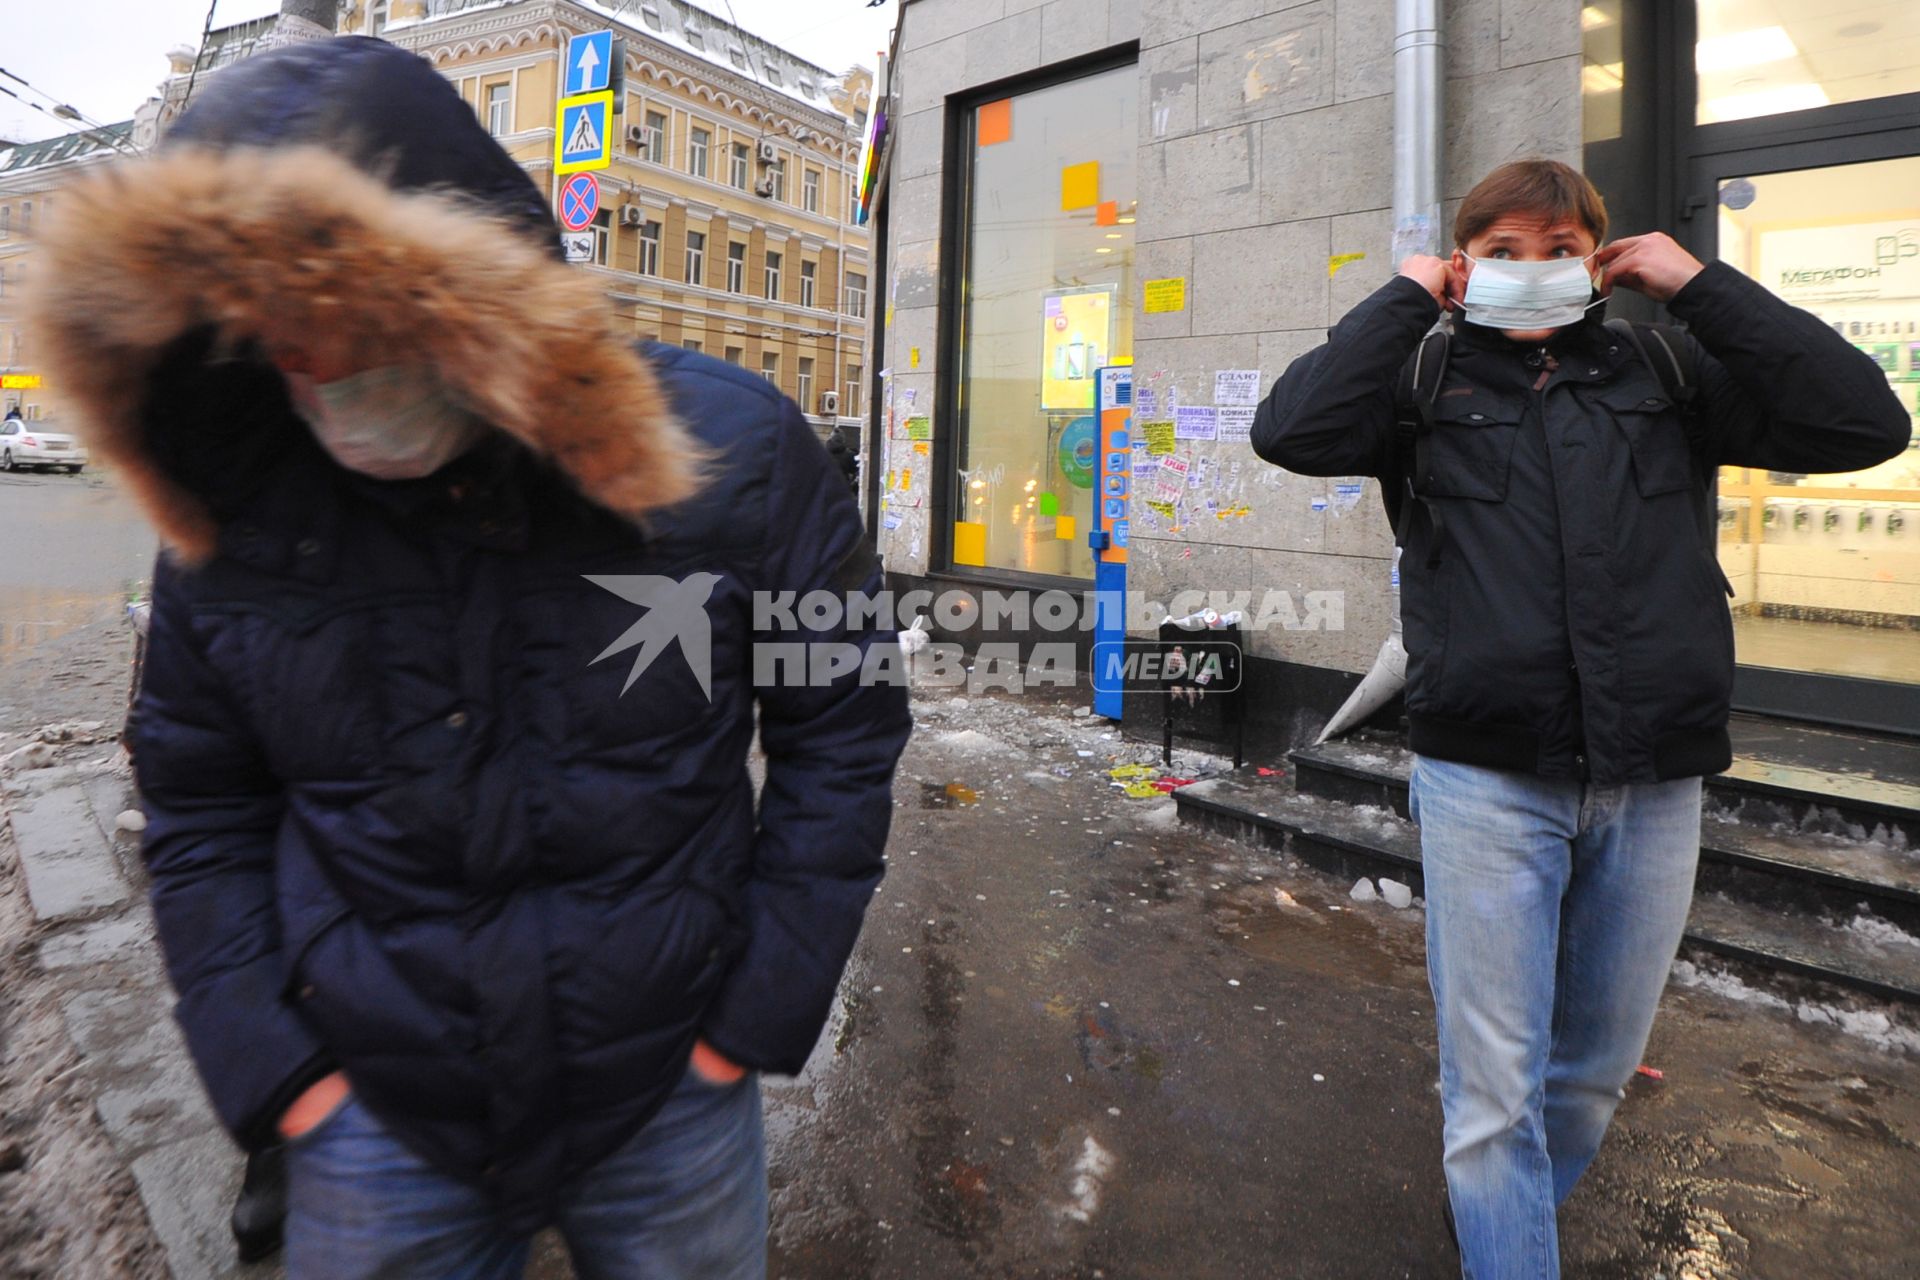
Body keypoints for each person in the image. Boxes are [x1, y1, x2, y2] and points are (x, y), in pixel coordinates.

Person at [30, 37, 911, 1279]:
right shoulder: (237, 501)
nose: (315, 368)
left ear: (463, 289)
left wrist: (756, 1009)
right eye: (273, 333)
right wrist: (278, 1072)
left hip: (671, 1087)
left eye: (345, 321)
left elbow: (845, 729)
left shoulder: (736, 449)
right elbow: (198, 803)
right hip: (375, 1117)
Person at [1252, 159, 1907, 1279]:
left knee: (1592, 1072)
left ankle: (1504, 1225)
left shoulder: (1664, 368)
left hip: (1652, 779)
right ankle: (1506, 1239)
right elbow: (1289, 428)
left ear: (1599, 261)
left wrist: (1699, 285)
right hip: (1486, 778)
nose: (1530, 270)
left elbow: (1866, 419)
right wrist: (1410, 295)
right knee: (1494, 1088)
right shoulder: (1420, 379)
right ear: (1467, 265)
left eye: (1557, 247)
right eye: (1500, 251)